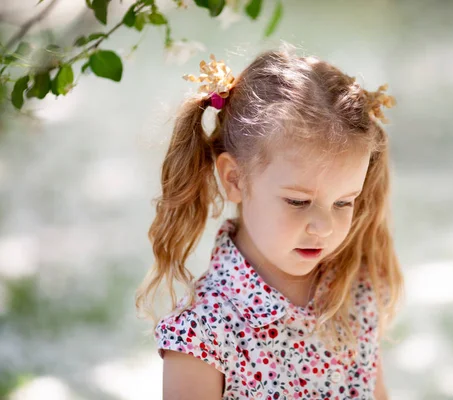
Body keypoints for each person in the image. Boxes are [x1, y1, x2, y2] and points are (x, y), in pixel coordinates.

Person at [135, 43, 403, 400]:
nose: (323, 226)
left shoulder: (354, 288)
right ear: (234, 179)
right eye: (298, 201)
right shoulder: (204, 335)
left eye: (343, 202)